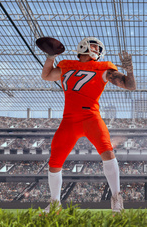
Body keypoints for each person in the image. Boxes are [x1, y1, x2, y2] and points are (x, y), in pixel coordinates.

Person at [40, 37, 136, 213]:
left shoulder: (103, 67)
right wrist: (51, 57)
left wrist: (129, 70)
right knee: (54, 161)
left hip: (91, 117)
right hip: (69, 119)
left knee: (107, 152)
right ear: (83, 46)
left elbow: (130, 85)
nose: (97, 51)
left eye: (99, 49)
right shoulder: (67, 64)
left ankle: (116, 198)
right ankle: (55, 203)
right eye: (95, 47)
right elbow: (46, 75)